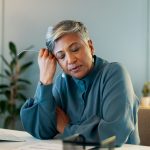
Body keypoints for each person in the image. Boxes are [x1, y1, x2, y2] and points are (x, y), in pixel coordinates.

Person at [20, 20, 140, 146]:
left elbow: (113, 135)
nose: (70, 60)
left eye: (75, 49)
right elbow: (43, 131)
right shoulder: (63, 81)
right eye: (61, 56)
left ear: (90, 46)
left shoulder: (115, 74)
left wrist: (65, 127)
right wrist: (45, 80)